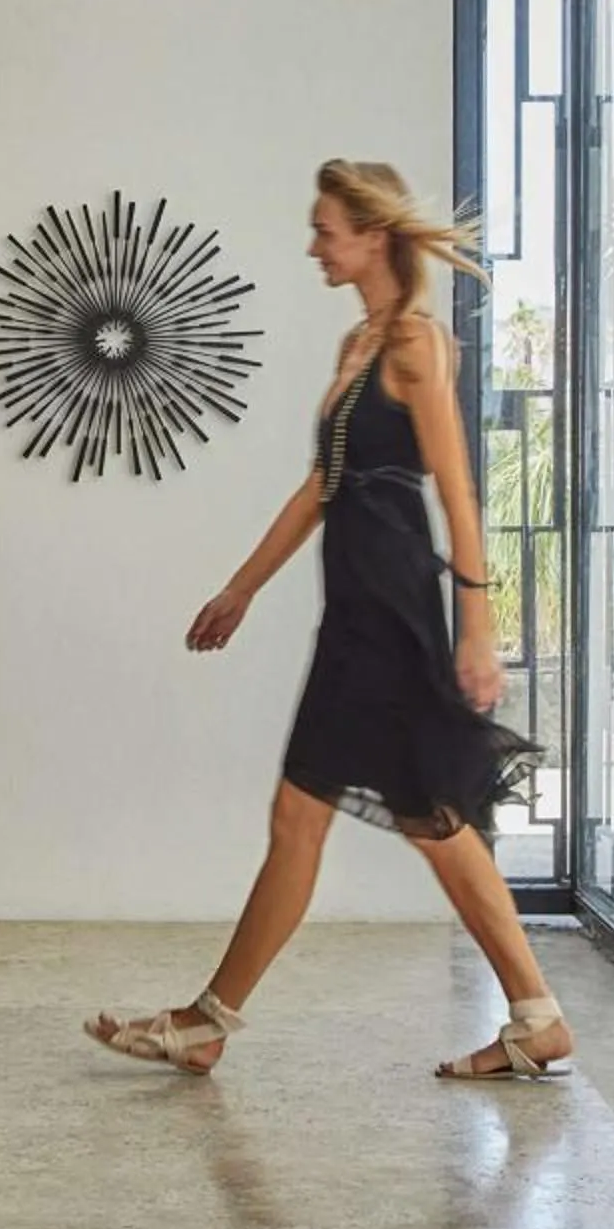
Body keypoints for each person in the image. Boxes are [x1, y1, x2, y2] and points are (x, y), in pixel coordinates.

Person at [84, 160, 566, 1081]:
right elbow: (322, 487)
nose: (314, 245)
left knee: (312, 814)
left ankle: (207, 1020)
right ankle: (536, 1016)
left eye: (326, 230)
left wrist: (477, 622)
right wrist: (242, 588)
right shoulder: (359, 345)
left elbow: (458, 492)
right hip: (355, 604)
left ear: (373, 235)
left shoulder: (416, 346)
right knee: (429, 819)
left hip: (389, 610)